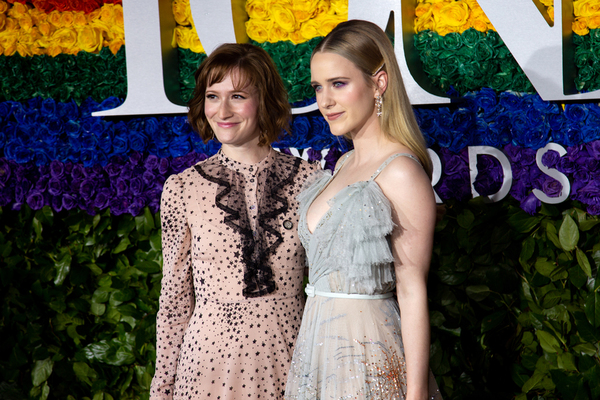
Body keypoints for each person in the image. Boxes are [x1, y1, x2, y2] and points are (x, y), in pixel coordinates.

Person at [150, 43, 320, 399]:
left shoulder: (310, 180)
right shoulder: (182, 188)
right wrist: (161, 390)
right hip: (207, 367)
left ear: (266, 100)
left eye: (238, 95)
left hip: (291, 359)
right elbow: (175, 301)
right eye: (213, 96)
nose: (222, 110)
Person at [285, 20, 443, 400]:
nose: (325, 101)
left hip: (370, 357)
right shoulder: (341, 166)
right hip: (316, 354)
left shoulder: (401, 172)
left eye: (339, 84)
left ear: (379, 83)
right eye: (318, 87)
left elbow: (411, 290)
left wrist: (416, 393)